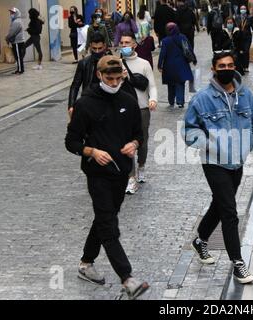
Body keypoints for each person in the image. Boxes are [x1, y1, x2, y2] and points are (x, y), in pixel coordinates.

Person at [65, 55, 149, 300]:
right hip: (97, 173)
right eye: (109, 79)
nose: (114, 83)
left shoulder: (128, 100)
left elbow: (139, 134)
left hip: (121, 171)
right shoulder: (85, 104)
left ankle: (85, 263)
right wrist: (91, 151)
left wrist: (133, 144)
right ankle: (128, 279)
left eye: (118, 79)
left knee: (105, 218)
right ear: (100, 75)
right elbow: (71, 142)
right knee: (109, 225)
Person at [183, 51, 253, 284]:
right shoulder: (203, 98)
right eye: (221, 66)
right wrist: (210, 144)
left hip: (237, 160)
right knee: (229, 211)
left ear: (234, 66)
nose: (226, 69)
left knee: (220, 204)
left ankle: (200, 240)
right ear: (214, 69)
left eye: (229, 65)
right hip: (214, 162)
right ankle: (238, 263)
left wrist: (248, 142)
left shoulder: (245, 94)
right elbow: (189, 130)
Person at [119, 33, 158, 193]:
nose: (124, 45)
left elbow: (152, 86)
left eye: (127, 42)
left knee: (142, 141)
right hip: (122, 110)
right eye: (121, 43)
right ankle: (131, 177)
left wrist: (153, 99)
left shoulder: (144, 64)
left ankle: (141, 166)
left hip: (142, 108)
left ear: (134, 44)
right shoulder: (116, 63)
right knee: (126, 143)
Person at [68, 33, 111, 120]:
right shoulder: (83, 63)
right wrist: (71, 105)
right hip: (88, 102)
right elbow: (75, 85)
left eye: (100, 48)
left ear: (104, 46)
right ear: (90, 46)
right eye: (94, 48)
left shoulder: (111, 63)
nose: (97, 51)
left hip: (107, 103)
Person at [158, 23, 196, 108]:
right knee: (180, 83)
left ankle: (171, 100)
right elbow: (189, 48)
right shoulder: (182, 37)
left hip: (169, 66)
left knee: (170, 84)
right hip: (182, 64)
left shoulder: (165, 40)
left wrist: (159, 65)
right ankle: (180, 101)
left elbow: (162, 54)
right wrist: (194, 59)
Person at [235, 5, 253, 73]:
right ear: (239, 10)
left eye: (244, 9)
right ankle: (241, 66)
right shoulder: (237, 17)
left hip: (247, 37)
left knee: (246, 51)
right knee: (240, 52)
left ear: (246, 10)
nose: (243, 10)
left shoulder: (249, 18)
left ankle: (246, 66)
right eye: (241, 9)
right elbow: (235, 27)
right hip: (239, 38)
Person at [6, 8, 25, 75]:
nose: (11, 14)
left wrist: (7, 37)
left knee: (18, 56)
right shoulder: (16, 21)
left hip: (17, 42)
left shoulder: (16, 22)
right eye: (11, 13)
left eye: (13, 13)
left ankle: (20, 70)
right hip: (18, 41)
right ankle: (19, 69)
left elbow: (12, 32)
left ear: (16, 13)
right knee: (18, 56)